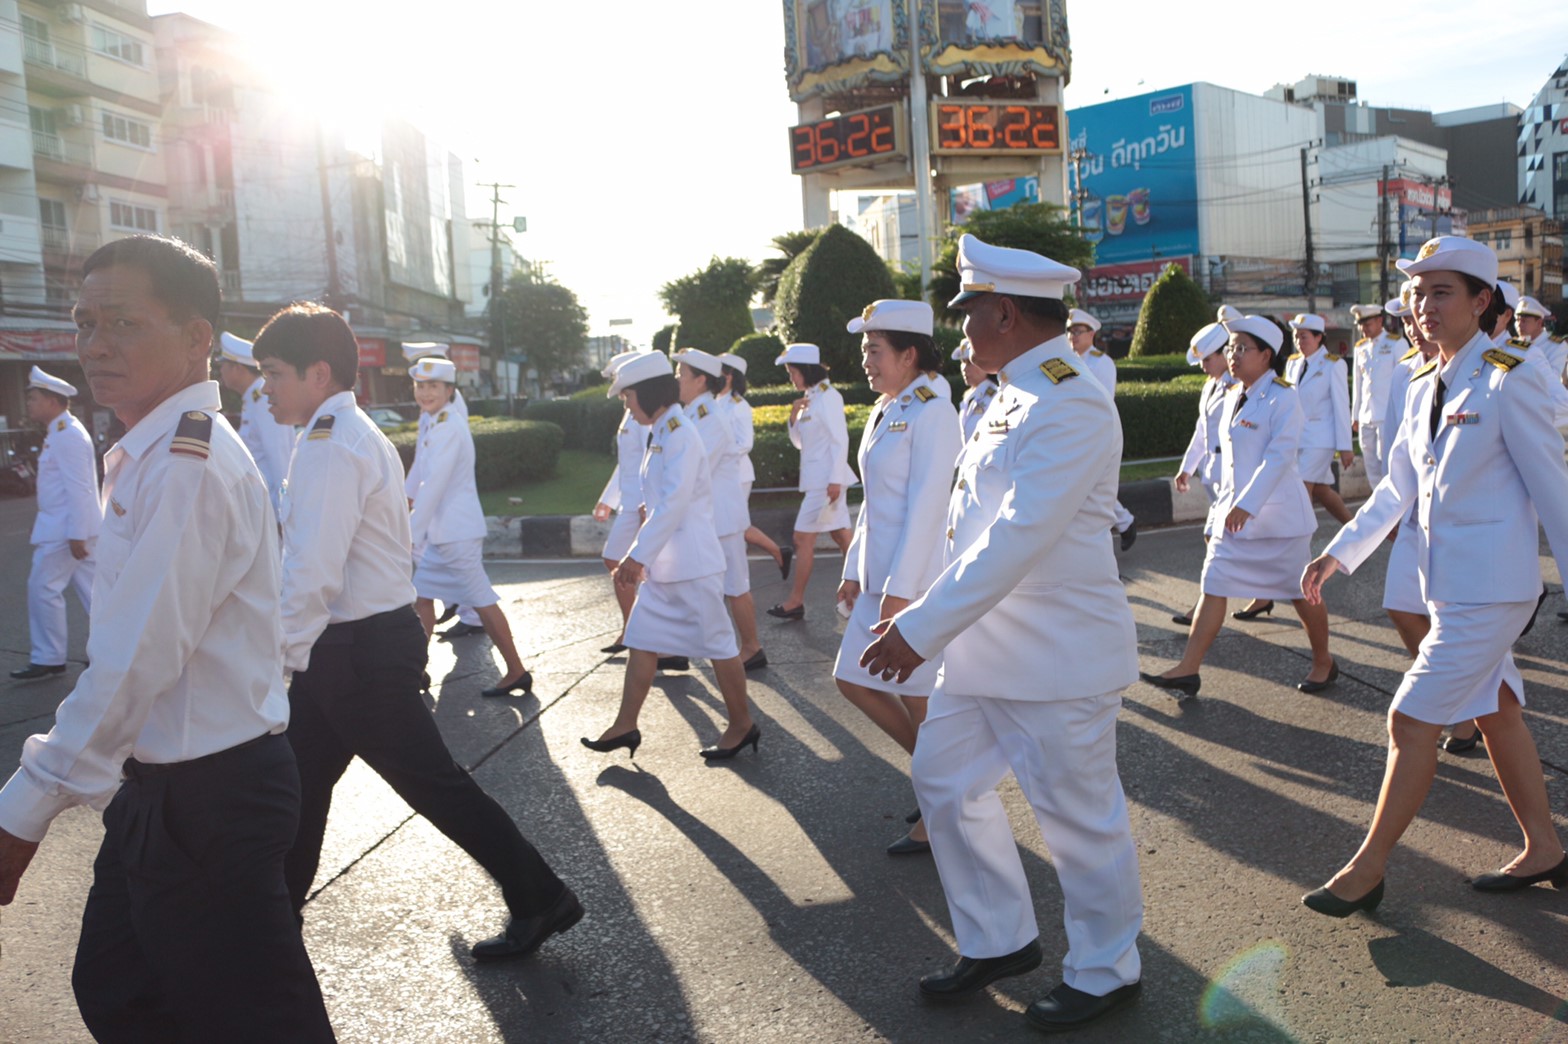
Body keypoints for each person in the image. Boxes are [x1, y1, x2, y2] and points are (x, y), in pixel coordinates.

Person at [0, 234, 335, 1040]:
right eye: (84, 323)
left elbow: (130, 661)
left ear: (195, 338)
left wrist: (23, 811)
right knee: (120, 988)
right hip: (164, 787)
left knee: (254, 1023)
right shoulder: (152, 453)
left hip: (210, 798)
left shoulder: (188, 463)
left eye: (123, 322)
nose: (94, 345)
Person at [861, 234, 1143, 1033]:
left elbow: (1019, 535)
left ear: (1006, 314)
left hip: (1056, 657)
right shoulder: (1011, 392)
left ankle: (1108, 969)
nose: (962, 331)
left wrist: (920, 625)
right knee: (944, 783)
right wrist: (926, 613)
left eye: (970, 314)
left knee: (1079, 821)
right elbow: (972, 528)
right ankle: (999, 939)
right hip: (981, 650)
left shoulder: (1069, 399)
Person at [255, 303, 580, 961]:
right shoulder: (344, 431)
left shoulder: (328, 446)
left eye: (274, 373)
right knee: (298, 790)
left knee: (431, 786)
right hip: (352, 647)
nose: (265, 389)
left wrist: (273, 662)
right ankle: (270, 928)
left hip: (355, 654)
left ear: (318, 373)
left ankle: (539, 894)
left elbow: (312, 573)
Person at [1299, 236, 1568, 916]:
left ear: (1482, 302)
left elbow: (1556, 493)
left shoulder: (1511, 375)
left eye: (1441, 292)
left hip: (1495, 591)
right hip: (1446, 587)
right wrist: (1339, 552)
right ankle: (1544, 847)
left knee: (1410, 719)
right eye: (1417, 294)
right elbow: (1396, 489)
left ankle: (1367, 868)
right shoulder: (1422, 382)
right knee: (1497, 712)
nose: (1424, 306)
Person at [1140, 315, 1337, 697]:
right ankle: (1188, 668)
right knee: (1213, 584)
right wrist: (1223, 502)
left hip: (1277, 521)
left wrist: (1248, 504)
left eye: (1242, 348)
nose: (1233, 355)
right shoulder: (1232, 394)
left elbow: (1279, 457)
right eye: (1231, 348)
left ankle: (1323, 661)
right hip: (1232, 517)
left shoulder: (1283, 397)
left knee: (1301, 592)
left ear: (1266, 355)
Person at [581, 352, 760, 759]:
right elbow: (661, 498)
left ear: (646, 393)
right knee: (641, 639)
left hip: (692, 566)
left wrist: (635, 556)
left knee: (720, 646)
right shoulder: (663, 429)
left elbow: (673, 503)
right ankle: (625, 725)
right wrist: (643, 554)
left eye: (628, 397)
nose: (627, 406)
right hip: (666, 566)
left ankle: (741, 724)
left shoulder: (679, 432)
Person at [832, 299, 961, 855]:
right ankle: (943, 787)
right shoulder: (888, 407)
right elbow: (875, 502)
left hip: (910, 586)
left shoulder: (934, 411)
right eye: (865, 349)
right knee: (854, 680)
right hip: (878, 579)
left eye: (874, 350)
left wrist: (901, 594)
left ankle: (941, 802)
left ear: (909, 354)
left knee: (917, 699)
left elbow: (928, 507)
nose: (866, 360)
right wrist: (852, 569)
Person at [405, 356, 535, 695]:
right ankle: (415, 670)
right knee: (422, 597)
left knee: (481, 601)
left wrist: (410, 532)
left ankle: (517, 670)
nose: (425, 392)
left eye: (434, 386)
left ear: (450, 390)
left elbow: (434, 484)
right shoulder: (437, 421)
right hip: (445, 533)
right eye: (421, 386)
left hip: (456, 533)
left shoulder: (448, 425)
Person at [675, 347, 766, 670]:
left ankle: (752, 647)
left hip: (723, 519)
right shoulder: (693, 414)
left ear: (700, 380)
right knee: (700, 584)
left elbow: (694, 470)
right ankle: (678, 647)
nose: (677, 380)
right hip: (710, 517)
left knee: (735, 586)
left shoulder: (710, 418)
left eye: (681, 375)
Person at [12, 366, 99, 681]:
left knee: (43, 588)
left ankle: (49, 657)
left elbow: (79, 488)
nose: (29, 404)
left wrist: (77, 534)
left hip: (66, 530)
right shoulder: (61, 431)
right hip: (71, 527)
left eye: (33, 398)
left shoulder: (67, 435)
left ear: (52, 401)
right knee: (97, 594)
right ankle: (110, 650)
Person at [767, 343, 856, 620]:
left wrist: (835, 480)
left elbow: (840, 439)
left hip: (826, 483)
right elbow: (801, 443)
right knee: (842, 537)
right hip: (819, 481)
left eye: (793, 372)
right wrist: (793, 417)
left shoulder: (828, 396)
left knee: (802, 538)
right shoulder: (811, 397)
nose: (791, 378)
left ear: (806, 370)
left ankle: (796, 601)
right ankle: (864, 588)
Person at [1169, 323, 1236, 626]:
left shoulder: (1239, 385)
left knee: (1216, 538)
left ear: (1224, 354)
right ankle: (1259, 595)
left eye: (1208, 359)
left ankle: (1204, 606)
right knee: (1219, 541)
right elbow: (1202, 431)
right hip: (1213, 475)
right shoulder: (1211, 386)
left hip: (1233, 477)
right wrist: (1187, 467)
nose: (1204, 367)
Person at [594, 350, 653, 653]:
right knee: (614, 560)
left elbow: (649, 462)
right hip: (629, 501)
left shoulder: (643, 412)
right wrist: (607, 500)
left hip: (639, 502)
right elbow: (626, 463)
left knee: (623, 563)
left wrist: (646, 506)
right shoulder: (629, 410)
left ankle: (638, 632)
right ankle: (634, 629)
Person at [1068, 308, 1136, 550]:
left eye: (1078, 331)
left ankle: (1121, 525)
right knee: (1086, 485)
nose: (1073, 336)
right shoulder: (1066, 362)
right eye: (1070, 331)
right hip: (1072, 434)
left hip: (1095, 434)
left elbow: (1105, 402)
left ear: (1091, 333)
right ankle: (1125, 523)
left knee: (1091, 484)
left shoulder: (1101, 362)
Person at [720, 352, 791, 580]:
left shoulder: (739, 405)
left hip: (737, 475)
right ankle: (776, 553)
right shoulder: (714, 402)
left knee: (736, 526)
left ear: (729, 376)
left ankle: (739, 577)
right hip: (721, 475)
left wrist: (718, 455)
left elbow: (745, 443)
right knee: (731, 525)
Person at [1283, 313, 1354, 527]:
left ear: (1318, 337)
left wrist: (1345, 447)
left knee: (1300, 487)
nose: (1299, 341)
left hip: (1321, 440)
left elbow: (1341, 407)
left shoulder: (1333, 365)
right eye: (1296, 336)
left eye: (1304, 336)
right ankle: (1357, 531)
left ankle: (1298, 539)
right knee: (1322, 491)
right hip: (1297, 437)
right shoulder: (1293, 363)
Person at [216, 330, 297, 516]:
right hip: (259, 506)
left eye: (223, 365)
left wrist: (282, 516)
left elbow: (280, 460)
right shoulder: (254, 399)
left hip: (271, 510)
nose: (221, 371)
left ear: (237, 369)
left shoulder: (264, 400)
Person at [1349, 303, 1402, 490]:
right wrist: (1355, 415)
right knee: (1370, 465)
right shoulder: (1360, 347)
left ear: (1380, 321)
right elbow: (1358, 383)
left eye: (1367, 324)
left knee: (1388, 463)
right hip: (1366, 415)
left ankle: (1393, 502)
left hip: (1387, 414)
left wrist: (1401, 413)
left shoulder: (1396, 344)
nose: (1363, 329)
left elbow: (1403, 382)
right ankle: (1376, 499)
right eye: (1360, 325)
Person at [953, 337, 998, 444]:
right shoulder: (967, 397)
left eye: (970, 362)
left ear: (984, 364)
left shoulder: (995, 396)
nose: (964, 368)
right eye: (962, 361)